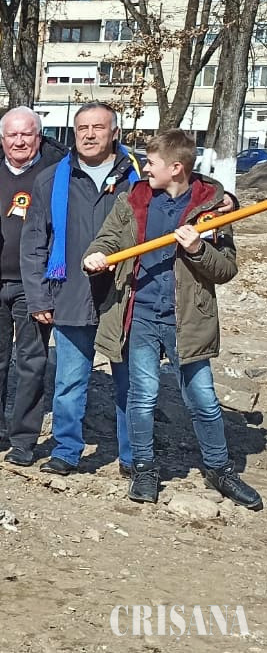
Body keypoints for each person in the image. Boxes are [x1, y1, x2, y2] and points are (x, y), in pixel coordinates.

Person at [83, 129, 260, 509]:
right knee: (142, 397)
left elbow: (226, 270)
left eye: (151, 163)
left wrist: (197, 249)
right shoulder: (134, 199)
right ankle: (144, 468)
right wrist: (96, 255)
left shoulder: (211, 209)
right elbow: (107, 239)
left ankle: (219, 469)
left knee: (203, 400)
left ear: (176, 168)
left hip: (188, 320)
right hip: (141, 315)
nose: (145, 169)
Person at [21, 102, 140, 476]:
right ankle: (67, 450)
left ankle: (133, 455)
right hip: (71, 294)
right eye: (82, 128)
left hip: (124, 297)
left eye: (98, 127)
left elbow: (185, 185)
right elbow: (34, 243)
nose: (89, 135)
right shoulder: (52, 179)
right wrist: (38, 296)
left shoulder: (138, 179)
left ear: (115, 133)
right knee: (69, 381)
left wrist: (227, 199)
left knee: (130, 383)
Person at [0, 107, 67, 464]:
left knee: (32, 363)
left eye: (27, 134)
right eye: (12, 134)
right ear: (2, 138)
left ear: (38, 136)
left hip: (35, 285)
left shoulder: (57, 171)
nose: (19, 141)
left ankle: (24, 440)